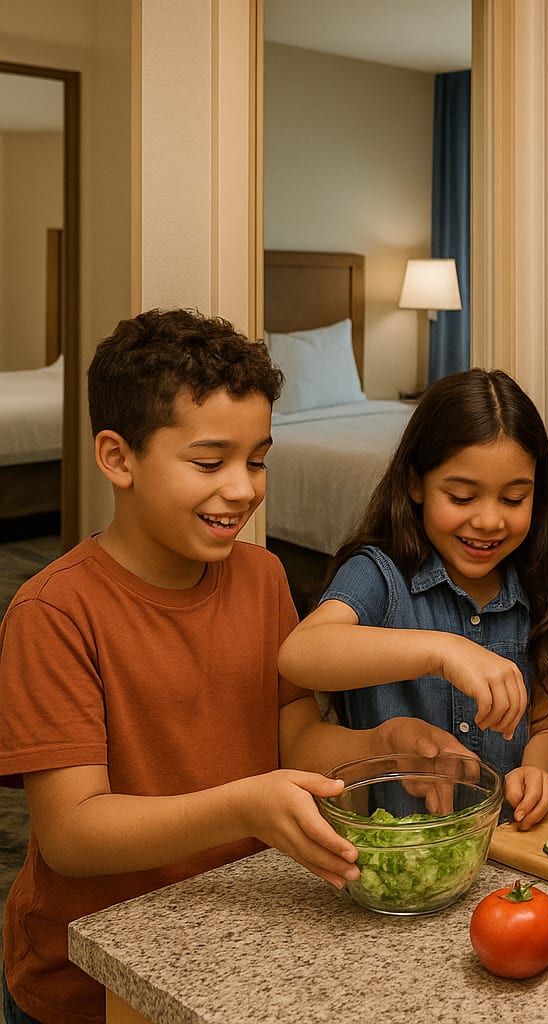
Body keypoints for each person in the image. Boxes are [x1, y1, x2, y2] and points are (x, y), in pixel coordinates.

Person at [0, 309, 468, 1024]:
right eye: (209, 461)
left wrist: (380, 748)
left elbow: (293, 734)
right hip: (87, 976)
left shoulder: (263, 577)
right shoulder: (54, 613)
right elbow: (71, 836)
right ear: (118, 458)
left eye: (257, 458)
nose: (245, 489)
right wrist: (242, 806)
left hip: (229, 932)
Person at [279, 369, 548, 830]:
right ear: (416, 483)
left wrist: (536, 768)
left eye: (514, 499)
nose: (489, 520)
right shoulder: (379, 574)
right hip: (394, 855)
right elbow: (300, 655)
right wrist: (442, 652)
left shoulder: (536, 586)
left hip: (504, 854)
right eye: (461, 496)